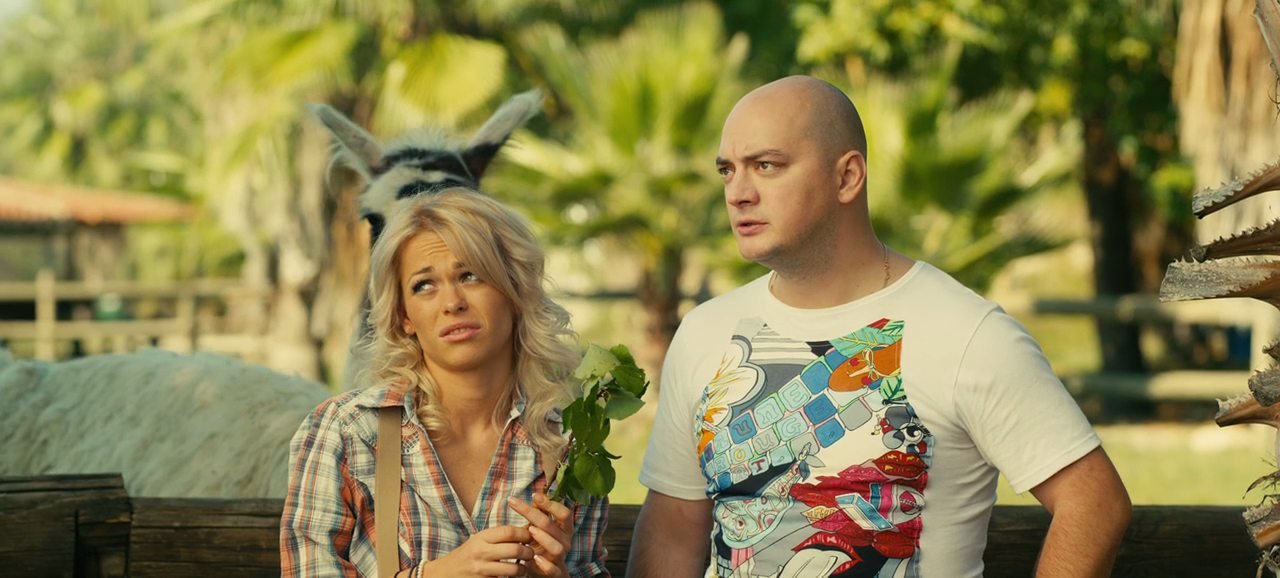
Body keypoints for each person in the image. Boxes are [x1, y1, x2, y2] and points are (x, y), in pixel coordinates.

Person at [628, 76, 1131, 577]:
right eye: (727, 170)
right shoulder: (706, 332)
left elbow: (1094, 503)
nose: (738, 193)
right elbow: (673, 528)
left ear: (847, 177)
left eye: (767, 166)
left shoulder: (967, 333)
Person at [281, 189, 610, 577]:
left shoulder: (567, 443)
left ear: (515, 290)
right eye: (424, 285)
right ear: (404, 316)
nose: (452, 302)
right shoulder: (347, 432)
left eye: (470, 275)